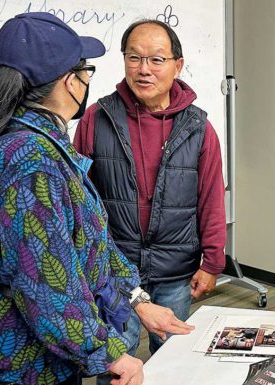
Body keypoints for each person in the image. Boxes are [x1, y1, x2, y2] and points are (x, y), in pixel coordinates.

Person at [0, 12, 192, 385]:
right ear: (69, 81)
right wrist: (107, 353)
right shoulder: (31, 162)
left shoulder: (44, 142)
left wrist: (138, 300)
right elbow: (45, 284)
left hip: (42, 350)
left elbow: (89, 242)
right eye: (86, 72)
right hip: (19, 360)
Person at [74, 19, 226, 360]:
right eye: (134, 58)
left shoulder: (198, 127)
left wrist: (213, 262)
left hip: (176, 268)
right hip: (115, 271)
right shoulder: (96, 119)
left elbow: (211, 199)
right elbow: (79, 201)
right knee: (117, 361)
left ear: (177, 65)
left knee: (172, 358)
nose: (144, 70)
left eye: (156, 59)